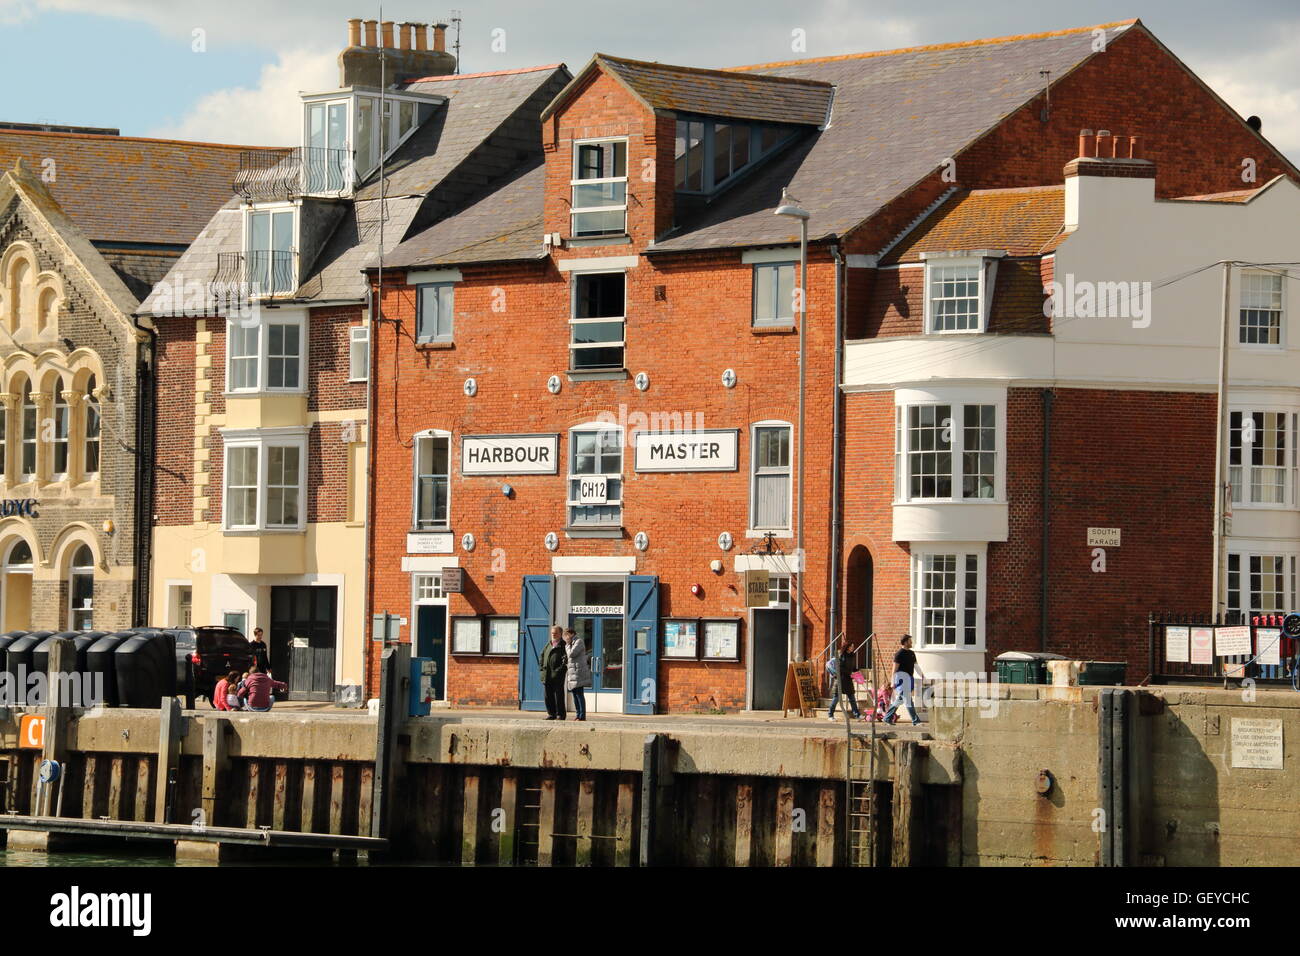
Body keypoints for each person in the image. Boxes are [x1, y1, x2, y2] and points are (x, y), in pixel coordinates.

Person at [884, 634, 924, 725]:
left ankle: (887, 717)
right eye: (910, 641)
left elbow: (916, 665)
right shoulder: (899, 654)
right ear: (905, 642)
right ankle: (915, 721)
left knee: (900, 700)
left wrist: (922, 674)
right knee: (908, 700)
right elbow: (894, 669)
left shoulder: (912, 653)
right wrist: (893, 682)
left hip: (909, 679)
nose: (911, 642)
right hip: (901, 680)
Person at [563, 627, 592, 721]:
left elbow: (571, 654)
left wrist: (567, 644)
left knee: (579, 694)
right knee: (575, 694)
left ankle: (582, 716)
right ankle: (577, 714)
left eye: (567, 635)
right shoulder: (571, 643)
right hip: (572, 673)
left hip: (578, 672)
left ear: (572, 634)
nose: (566, 637)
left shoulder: (578, 642)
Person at [827, 640, 862, 720]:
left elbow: (851, 667)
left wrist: (856, 670)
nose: (853, 648)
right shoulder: (841, 655)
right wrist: (849, 673)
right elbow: (840, 668)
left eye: (853, 646)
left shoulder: (852, 656)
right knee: (836, 698)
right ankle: (830, 715)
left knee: (852, 698)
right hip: (840, 679)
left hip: (848, 680)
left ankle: (857, 715)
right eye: (851, 646)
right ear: (847, 647)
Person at [539, 625, 568, 720]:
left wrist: (559, 671)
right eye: (552, 633)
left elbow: (565, 661)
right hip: (547, 675)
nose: (553, 635)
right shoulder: (549, 644)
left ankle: (560, 714)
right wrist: (542, 669)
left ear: (560, 634)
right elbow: (542, 656)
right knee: (548, 696)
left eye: (555, 633)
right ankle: (551, 714)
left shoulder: (564, 646)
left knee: (558, 696)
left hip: (557, 676)